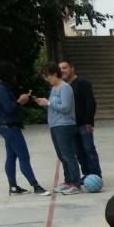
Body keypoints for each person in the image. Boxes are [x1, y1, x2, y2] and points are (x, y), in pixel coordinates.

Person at [0, 60, 49, 196]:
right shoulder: (0, 89)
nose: (14, 78)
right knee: (24, 156)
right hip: (10, 127)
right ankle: (36, 186)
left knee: (11, 157)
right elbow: (9, 108)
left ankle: (13, 187)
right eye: (13, 75)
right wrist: (20, 101)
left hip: (6, 127)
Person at [35, 61, 82, 195]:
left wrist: (48, 102)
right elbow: (55, 105)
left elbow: (66, 108)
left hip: (65, 125)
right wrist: (45, 103)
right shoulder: (54, 88)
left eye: (47, 76)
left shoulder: (65, 87)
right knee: (61, 156)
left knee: (68, 155)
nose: (46, 79)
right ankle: (68, 181)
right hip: (55, 125)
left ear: (55, 73)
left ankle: (75, 183)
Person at [59, 61, 102, 181]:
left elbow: (90, 102)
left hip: (84, 124)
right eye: (60, 69)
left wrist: (89, 122)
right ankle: (87, 174)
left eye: (65, 68)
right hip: (71, 125)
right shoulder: (64, 86)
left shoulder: (83, 83)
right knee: (79, 152)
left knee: (89, 149)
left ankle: (96, 174)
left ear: (72, 69)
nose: (62, 71)